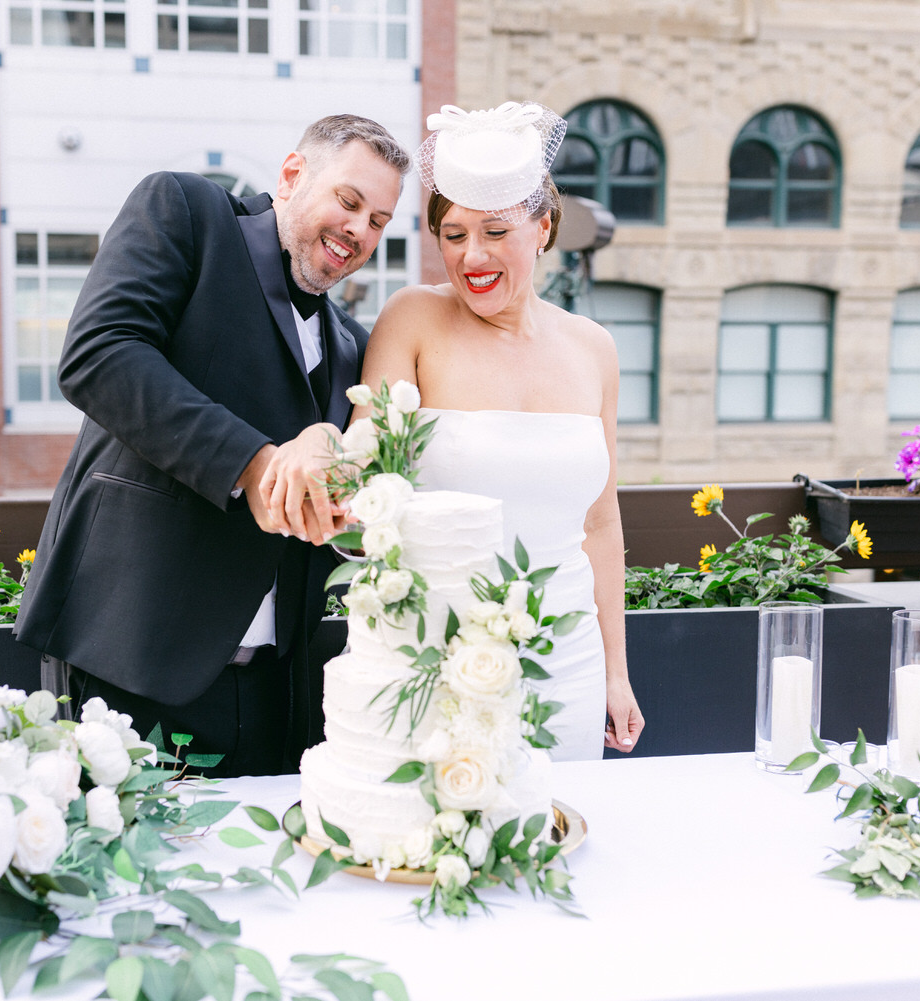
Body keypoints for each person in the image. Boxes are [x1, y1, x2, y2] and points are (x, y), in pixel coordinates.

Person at [14, 116, 410, 777]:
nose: (360, 231)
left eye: (378, 221)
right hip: (133, 659)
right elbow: (99, 355)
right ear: (291, 176)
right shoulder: (186, 211)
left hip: (278, 697)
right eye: (348, 201)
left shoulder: (354, 345)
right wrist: (253, 466)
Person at [275, 103, 644, 760]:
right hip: (435, 655)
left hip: (570, 660)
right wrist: (322, 460)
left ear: (543, 228)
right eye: (453, 235)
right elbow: (363, 462)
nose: (471, 255)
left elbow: (602, 524)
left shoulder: (596, 348)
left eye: (495, 231)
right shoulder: (412, 317)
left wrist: (616, 672)